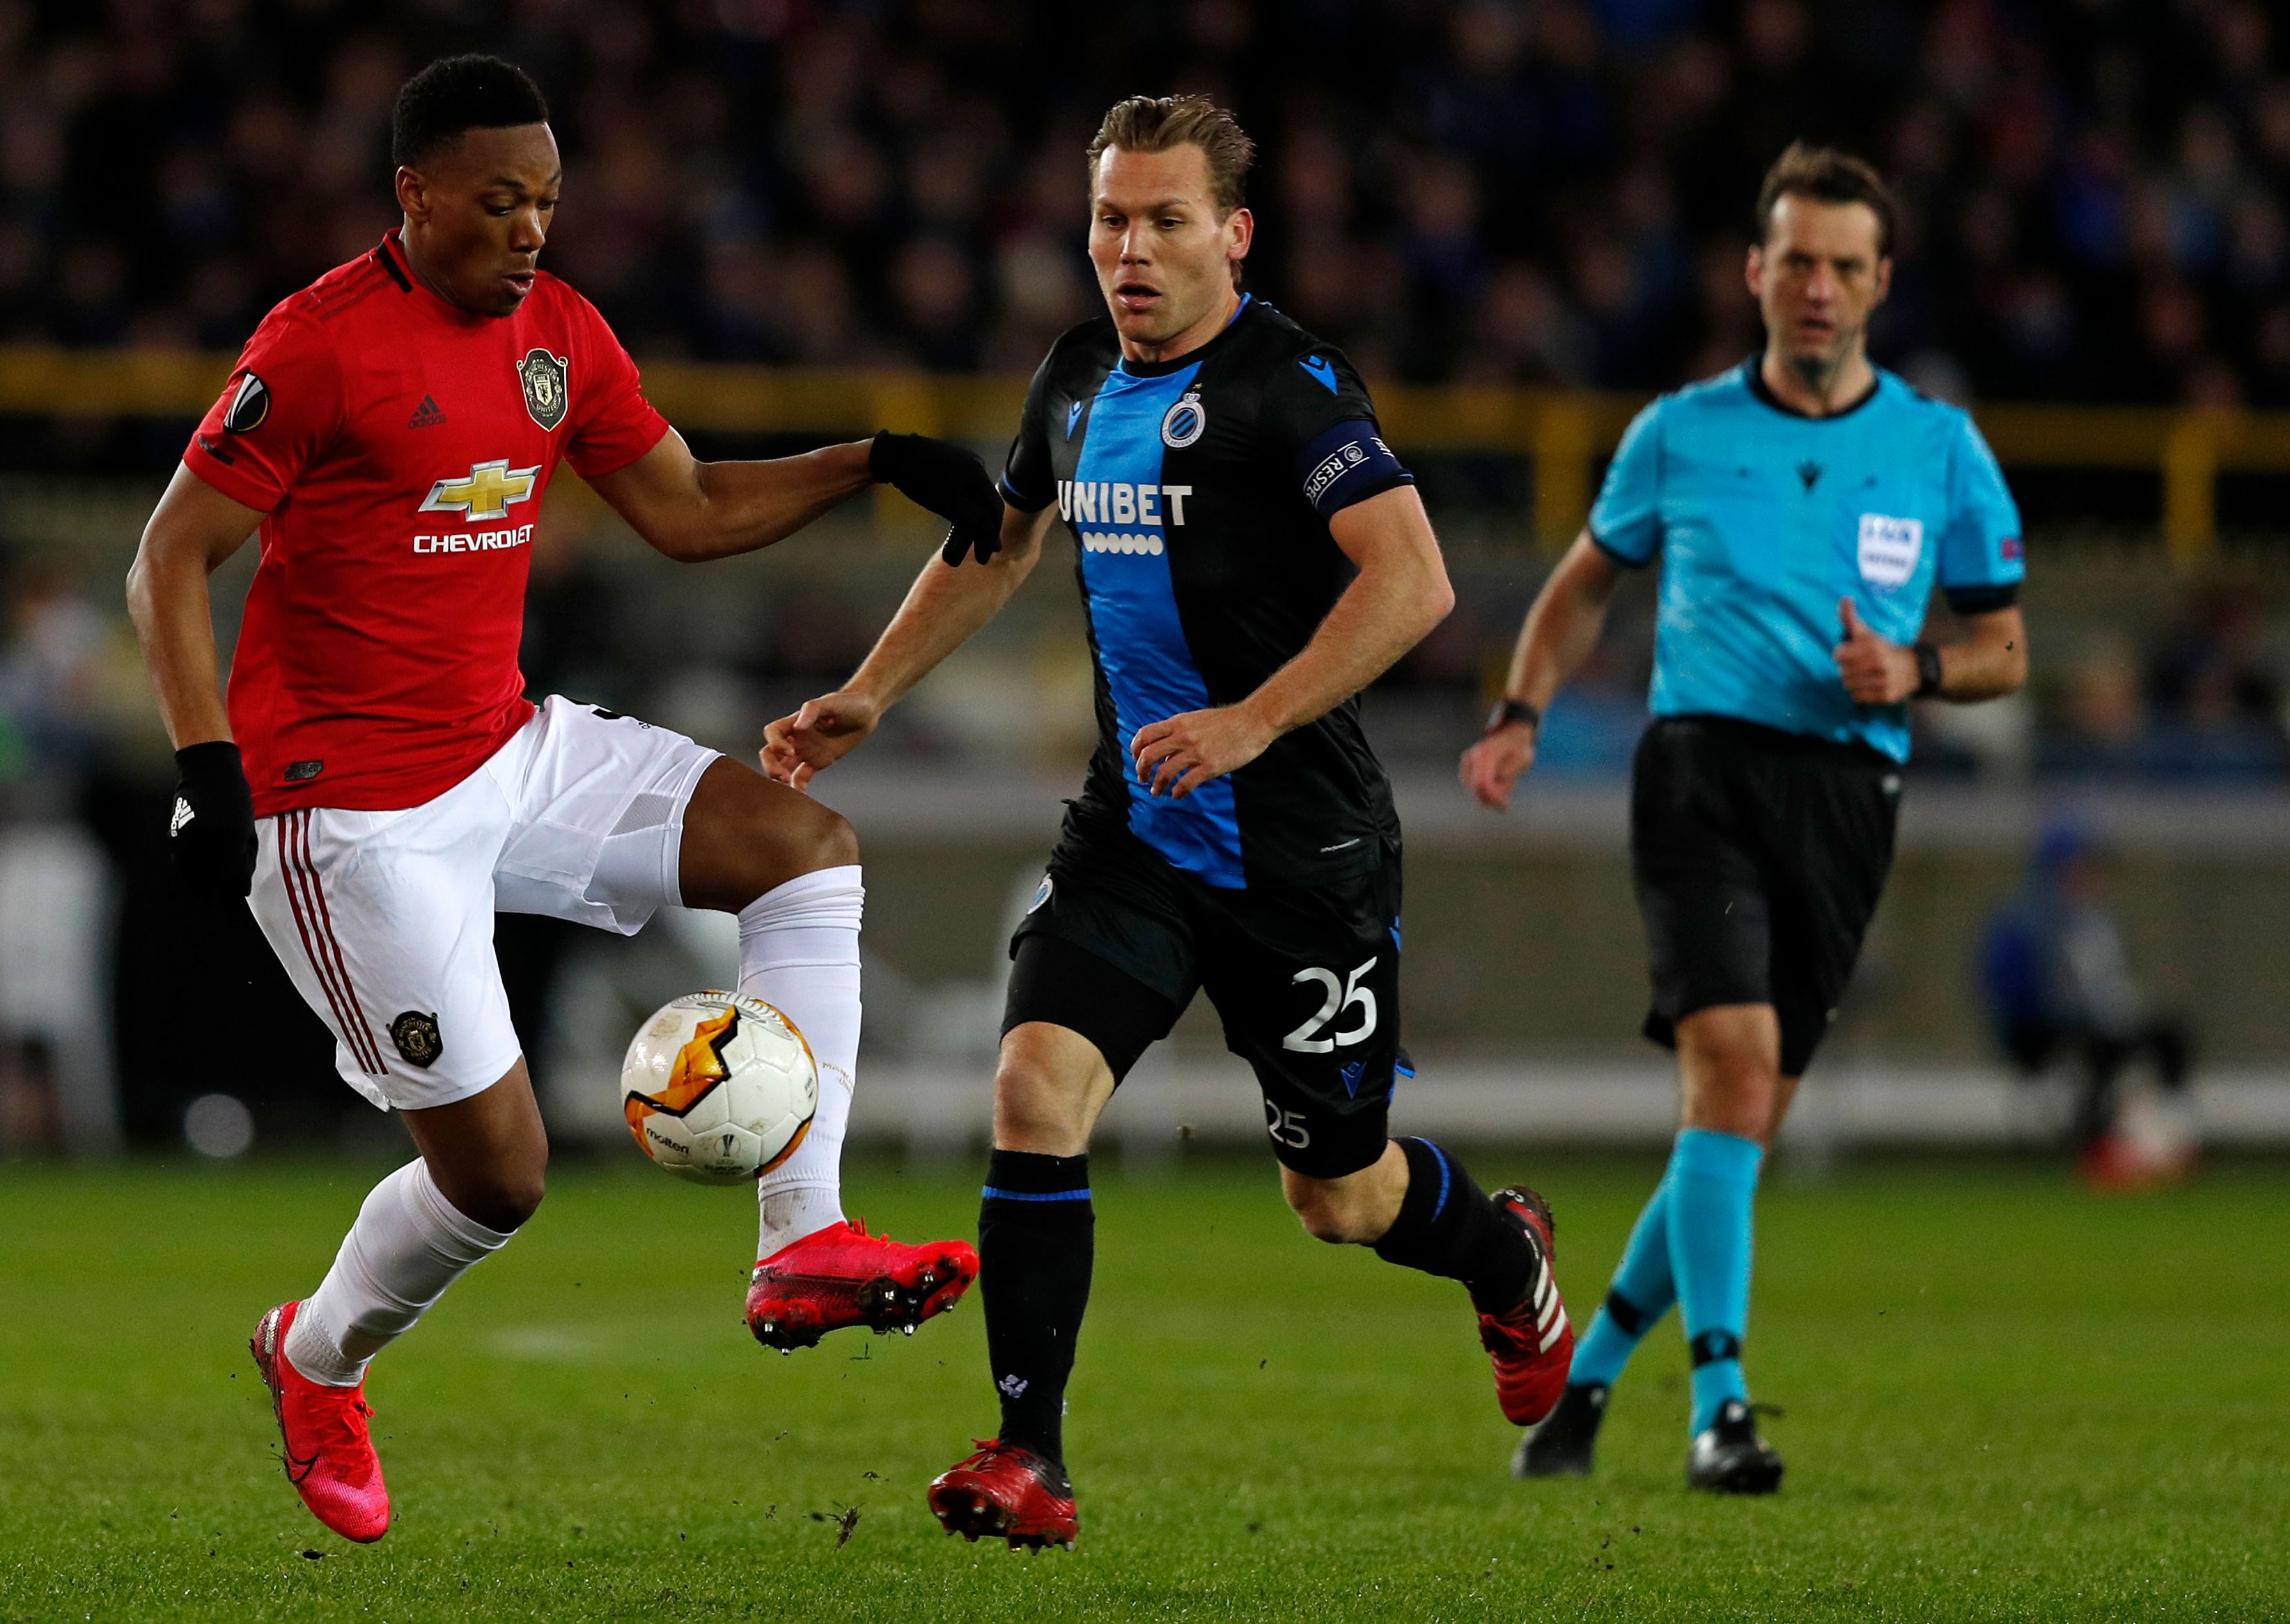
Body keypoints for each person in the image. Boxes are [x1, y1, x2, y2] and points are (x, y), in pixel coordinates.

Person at [125, 56, 1001, 1545]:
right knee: (501, 1176)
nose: (532, 228)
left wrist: (873, 461)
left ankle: (806, 1239)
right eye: (499, 200)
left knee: (802, 847)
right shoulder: (320, 344)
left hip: (506, 745)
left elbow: (686, 508)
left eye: (547, 199)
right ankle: (315, 1354)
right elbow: (165, 561)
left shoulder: (559, 329)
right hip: (348, 814)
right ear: (414, 195)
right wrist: (208, 771)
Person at [762, 94, 1572, 1550]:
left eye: (1166, 221)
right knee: (1032, 1089)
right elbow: (998, 542)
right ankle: (1029, 1455)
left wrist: (1256, 719)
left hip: (1298, 852)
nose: (1130, 250)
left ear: (1234, 235)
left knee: (1338, 1195)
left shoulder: (1291, 387)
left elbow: (1416, 582)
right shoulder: (1074, 375)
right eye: (1110, 220)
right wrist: (869, 689)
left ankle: (1506, 1254)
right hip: (1136, 830)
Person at [1465, 143, 2030, 1493]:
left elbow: (2007, 647)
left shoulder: (1940, 449)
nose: (1817, 287)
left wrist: (1922, 670)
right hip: (1701, 774)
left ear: (1880, 281)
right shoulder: (1682, 429)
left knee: (1739, 1123)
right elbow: (1583, 583)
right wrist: (1522, 709)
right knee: (1726, 1075)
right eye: (1796, 261)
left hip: (1849, 793)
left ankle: (1585, 1383)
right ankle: (1721, 1405)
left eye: (1844, 264)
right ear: (1754, 273)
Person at [1979, 820, 2196, 1188]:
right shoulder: (2024, 922)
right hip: (2043, 1029)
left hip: (2095, 1023)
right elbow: (2014, 994)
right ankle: (2100, 1145)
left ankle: (2166, 1134)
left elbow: (2110, 985)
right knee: (2101, 1050)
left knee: (2168, 1036)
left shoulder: (2095, 920)